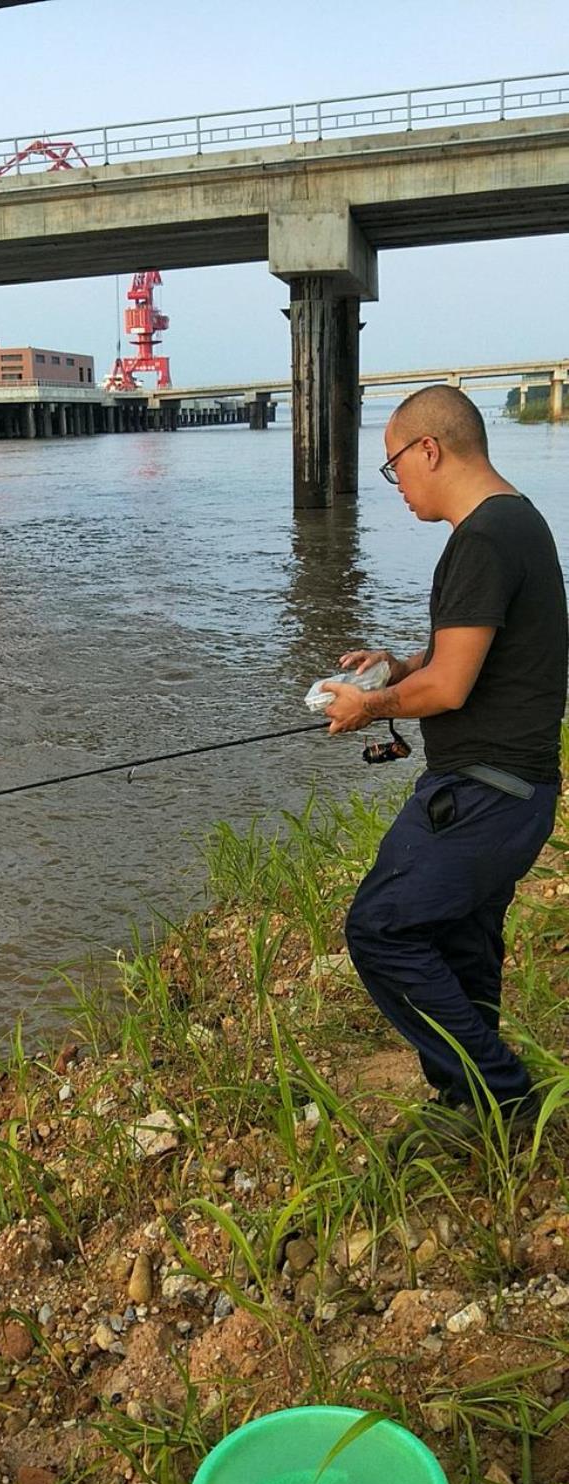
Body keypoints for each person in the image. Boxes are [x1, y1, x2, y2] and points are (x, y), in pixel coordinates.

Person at [321, 384, 567, 1147]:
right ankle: (474, 1107)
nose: (396, 487)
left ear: (430, 448)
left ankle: (504, 1096)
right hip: (515, 792)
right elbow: (463, 656)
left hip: (484, 794)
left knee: (382, 929)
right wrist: (395, 665)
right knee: (461, 939)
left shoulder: (483, 540)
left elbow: (451, 686)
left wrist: (369, 706)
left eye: (394, 466)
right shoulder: (516, 522)